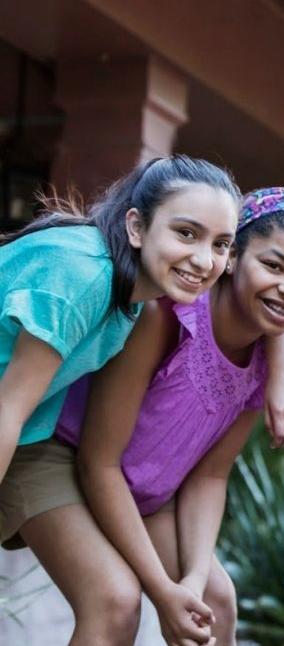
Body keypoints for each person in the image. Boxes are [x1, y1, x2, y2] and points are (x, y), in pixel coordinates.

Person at [32, 187, 284, 646]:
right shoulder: (167, 317)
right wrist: (161, 586)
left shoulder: (270, 356)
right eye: (274, 266)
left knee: (213, 601)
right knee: (116, 603)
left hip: (148, 495)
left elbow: (210, 476)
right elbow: (99, 462)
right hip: (66, 458)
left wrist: (191, 577)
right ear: (231, 258)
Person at [0, 156, 242, 486]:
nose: (204, 261)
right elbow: (7, 409)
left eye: (221, 244)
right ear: (137, 227)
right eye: (186, 233)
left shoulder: (131, 298)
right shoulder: (85, 276)